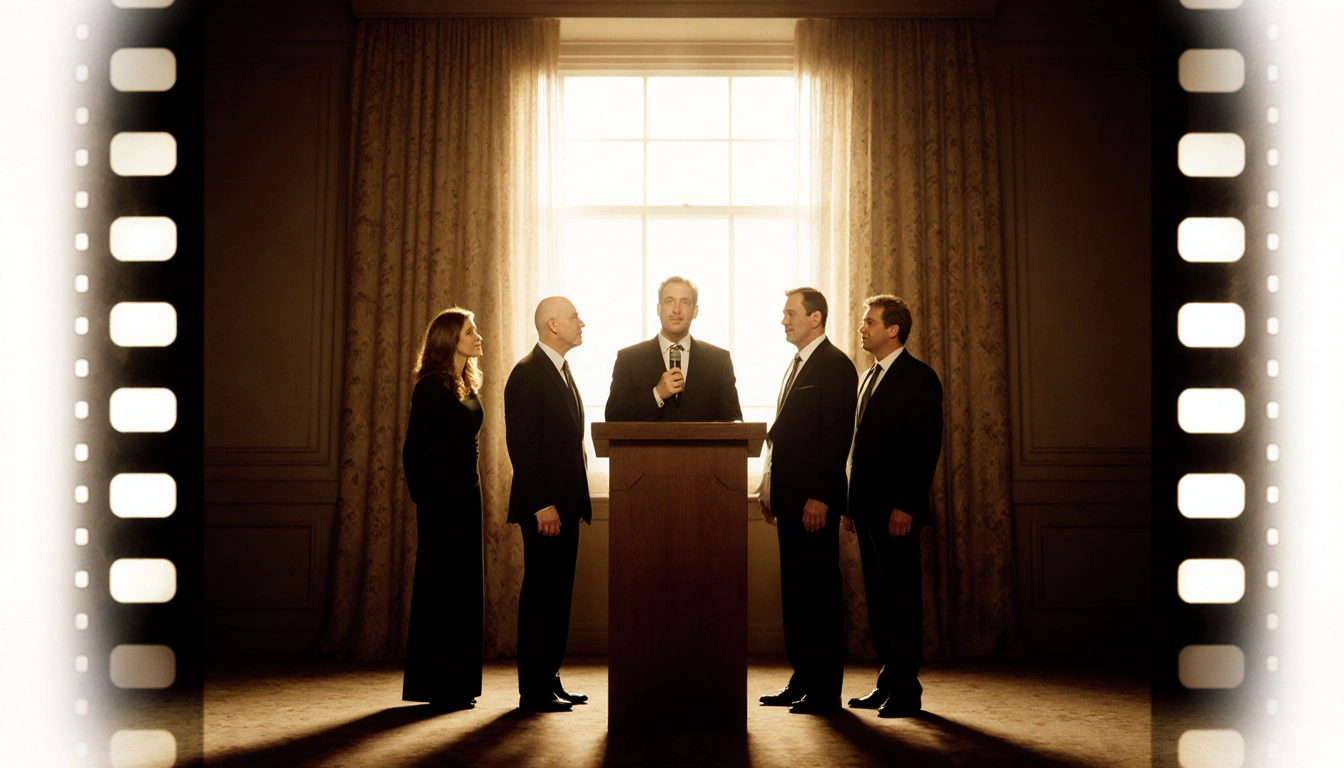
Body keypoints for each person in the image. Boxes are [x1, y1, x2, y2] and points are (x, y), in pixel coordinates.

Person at [756, 288, 858, 715]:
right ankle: (802, 679)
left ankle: (824, 690)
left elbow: (836, 439)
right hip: (789, 500)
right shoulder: (797, 364)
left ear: (816, 319)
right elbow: (785, 435)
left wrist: (820, 496)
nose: (783, 320)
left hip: (814, 502)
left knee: (819, 593)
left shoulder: (835, 366)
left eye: (790, 313)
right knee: (796, 593)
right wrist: (768, 481)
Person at [843, 294, 943, 718]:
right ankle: (888, 681)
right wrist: (849, 505)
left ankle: (907, 689)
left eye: (869, 322)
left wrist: (907, 506)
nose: (862, 328)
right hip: (864, 509)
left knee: (901, 600)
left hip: (896, 512)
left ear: (893, 330)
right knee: (880, 600)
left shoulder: (919, 378)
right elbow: (859, 449)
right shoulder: (868, 376)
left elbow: (925, 450)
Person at [504, 296, 593, 712]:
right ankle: (533, 691)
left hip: (566, 507)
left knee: (558, 596)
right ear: (552, 325)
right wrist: (541, 505)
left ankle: (549, 678)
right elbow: (522, 447)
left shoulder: (559, 370)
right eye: (575, 317)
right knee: (541, 595)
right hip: (545, 510)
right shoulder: (527, 373)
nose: (582, 323)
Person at [400, 307, 487, 710]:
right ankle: (436, 684)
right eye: (471, 331)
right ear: (450, 339)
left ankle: (460, 683)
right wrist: (427, 499)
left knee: (465, 587)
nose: (478, 336)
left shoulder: (465, 383)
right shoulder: (431, 387)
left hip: (468, 496)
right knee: (441, 588)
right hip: (440, 502)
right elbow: (413, 450)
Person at [604, 276, 743, 423]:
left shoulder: (719, 361)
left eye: (685, 302)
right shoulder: (629, 360)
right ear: (659, 309)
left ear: (695, 311)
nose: (676, 310)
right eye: (669, 301)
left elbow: (733, 421)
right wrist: (657, 394)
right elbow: (614, 416)